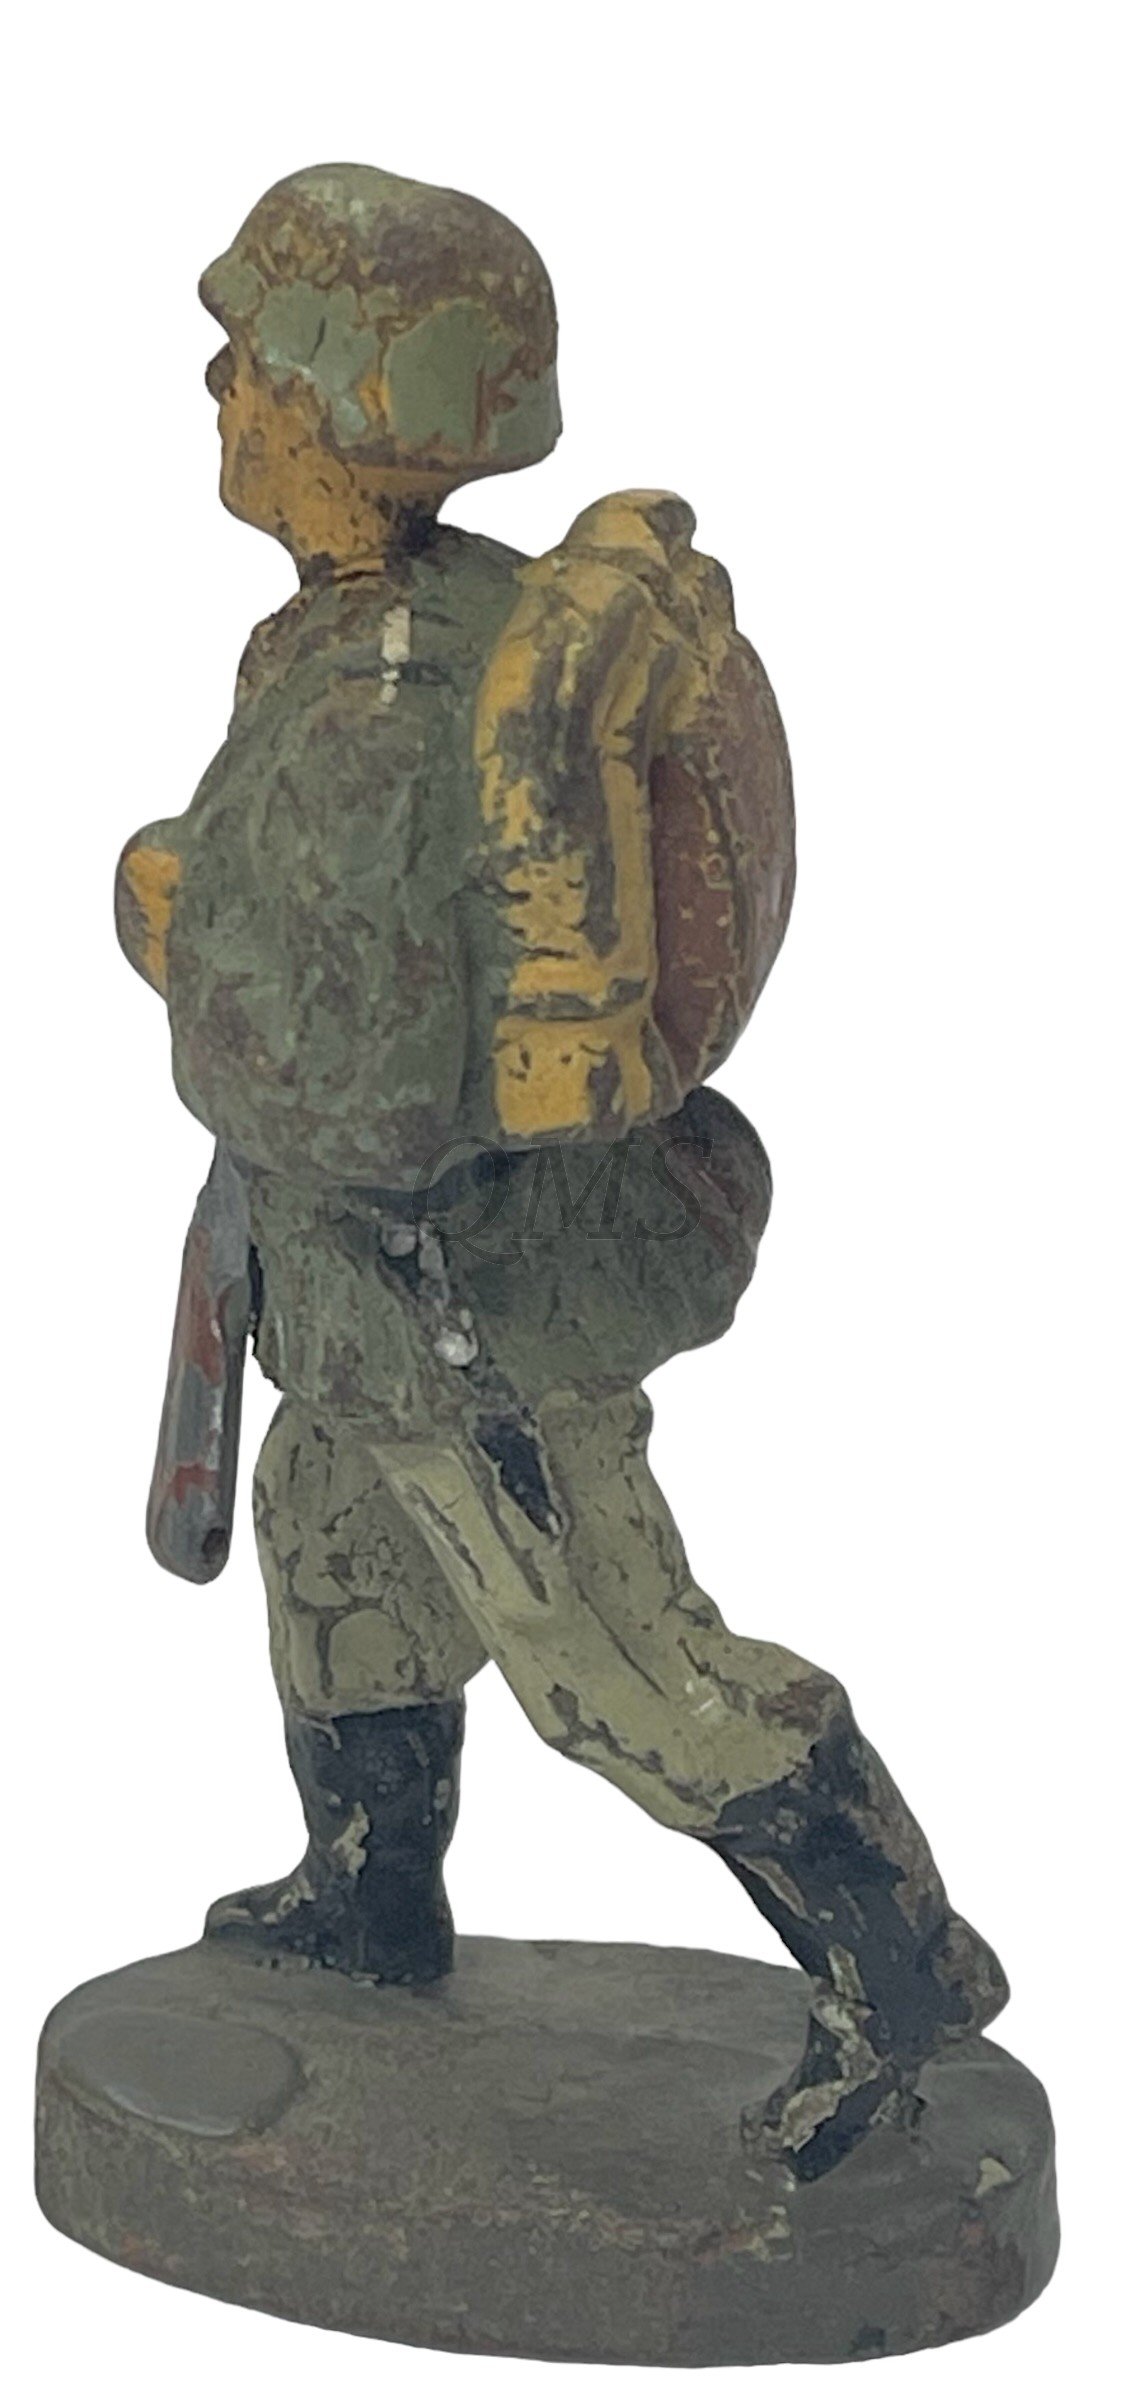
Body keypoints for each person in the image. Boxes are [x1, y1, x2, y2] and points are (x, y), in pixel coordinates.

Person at [117, 164, 1006, 2182]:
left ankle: (896, 1973)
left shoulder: (382, 706)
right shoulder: (415, 626)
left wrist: (164, 924)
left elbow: (357, 1091)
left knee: (617, 1664)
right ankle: (372, 1896)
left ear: (341, 415)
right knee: (337, 1558)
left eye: (250, 362)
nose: (218, 387)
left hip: (468, 1309)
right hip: (373, 1300)